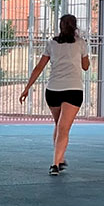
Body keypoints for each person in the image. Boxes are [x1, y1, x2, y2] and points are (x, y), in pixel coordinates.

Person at [19, 14, 90, 176]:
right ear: (75, 27)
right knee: (63, 128)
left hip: (53, 90)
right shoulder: (81, 44)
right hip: (73, 90)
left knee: (59, 126)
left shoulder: (51, 44)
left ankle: (60, 158)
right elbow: (86, 66)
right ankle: (55, 164)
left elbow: (39, 67)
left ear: (60, 26)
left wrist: (27, 88)